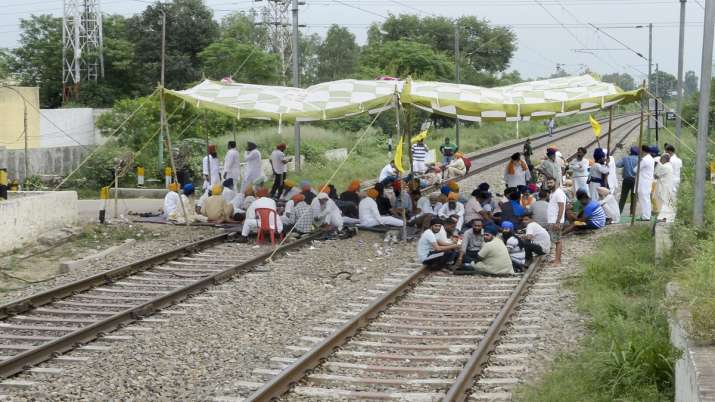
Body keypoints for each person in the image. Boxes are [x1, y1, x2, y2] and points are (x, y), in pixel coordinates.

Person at [546, 178, 566, 265]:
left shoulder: (559, 193)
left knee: (558, 240)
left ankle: (558, 260)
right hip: (552, 220)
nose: (549, 184)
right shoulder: (552, 193)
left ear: (556, 183)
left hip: (556, 221)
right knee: (556, 240)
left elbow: (561, 207)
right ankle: (556, 259)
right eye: (548, 183)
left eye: (551, 182)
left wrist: (558, 222)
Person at [616, 145, 639, 214]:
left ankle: (619, 212)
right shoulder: (639, 159)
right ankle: (632, 212)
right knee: (634, 197)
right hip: (635, 180)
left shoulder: (626, 158)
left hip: (626, 179)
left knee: (623, 197)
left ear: (630, 152)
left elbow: (618, 164)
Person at [654, 153, 676, 222]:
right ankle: (665, 217)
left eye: (661, 159)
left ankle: (663, 217)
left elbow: (656, 175)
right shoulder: (670, 166)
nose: (660, 160)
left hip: (664, 186)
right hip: (668, 185)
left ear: (664, 159)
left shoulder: (665, 167)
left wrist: (658, 165)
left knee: (664, 201)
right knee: (666, 201)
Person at [637, 145, 655, 221]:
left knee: (643, 199)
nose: (639, 152)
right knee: (646, 199)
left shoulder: (644, 160)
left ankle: (645, 216)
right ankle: (647, 215)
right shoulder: (651, 158)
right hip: (648, 181)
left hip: (643, 182)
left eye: (640, 150)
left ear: (643, 151)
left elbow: (636, 169)